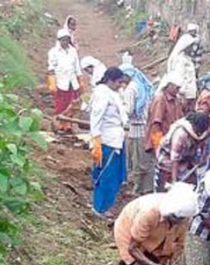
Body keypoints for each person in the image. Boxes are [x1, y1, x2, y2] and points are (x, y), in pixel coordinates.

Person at [90, 67, 129, 218]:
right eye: (119, 82)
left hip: (117, 139)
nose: (121, 85)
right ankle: (100, 207)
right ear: (110, 80)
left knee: (116, 176)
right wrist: (96, 141)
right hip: (107, 141)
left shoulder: (114, 93)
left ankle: (106, 205)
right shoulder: (102, 93)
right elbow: (96, 118)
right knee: (106, 175)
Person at [120, 61, 155, 196]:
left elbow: (128, 110)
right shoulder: (141, 85)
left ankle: (139, 189)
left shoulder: (131, 89)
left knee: (138, 160)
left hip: (137, 128)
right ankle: (148, 187)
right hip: (145, 126)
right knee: (147, 159)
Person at [154, 111, 210, 192]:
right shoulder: (180, 134)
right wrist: (174, 182)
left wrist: (203, 156)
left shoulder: (204, 130)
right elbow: (174, 159)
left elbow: (204, 142)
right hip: (167, 163)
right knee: (166, 192)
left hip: (186, 161)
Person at [47, 28, 84, 134]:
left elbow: (77, 66)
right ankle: (60, 125)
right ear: (59, 41)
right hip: (60, 82)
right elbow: (51, 68)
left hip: (72, 81)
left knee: (73, 104)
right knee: (61, 105)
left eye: (67, 40)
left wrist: (80, 79)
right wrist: (52, 82)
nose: (65, 42)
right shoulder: (53, 52)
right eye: (63, 40)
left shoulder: (72, 51)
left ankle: (69, 125)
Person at [145, 72, 185, 155]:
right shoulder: (160, 99)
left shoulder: (176, 100)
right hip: (162, 140)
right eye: (176, 88)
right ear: (169, 85)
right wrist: (157, 145)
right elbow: (156, 124)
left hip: (172, 139)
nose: (177, 91)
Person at [166, 34, 198, 113]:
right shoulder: (180, 60)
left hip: (190, 95)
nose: (192, 48)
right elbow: (179, 78)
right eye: (190, 46)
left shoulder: (187, 58)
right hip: (185, 96)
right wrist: (182, 94)